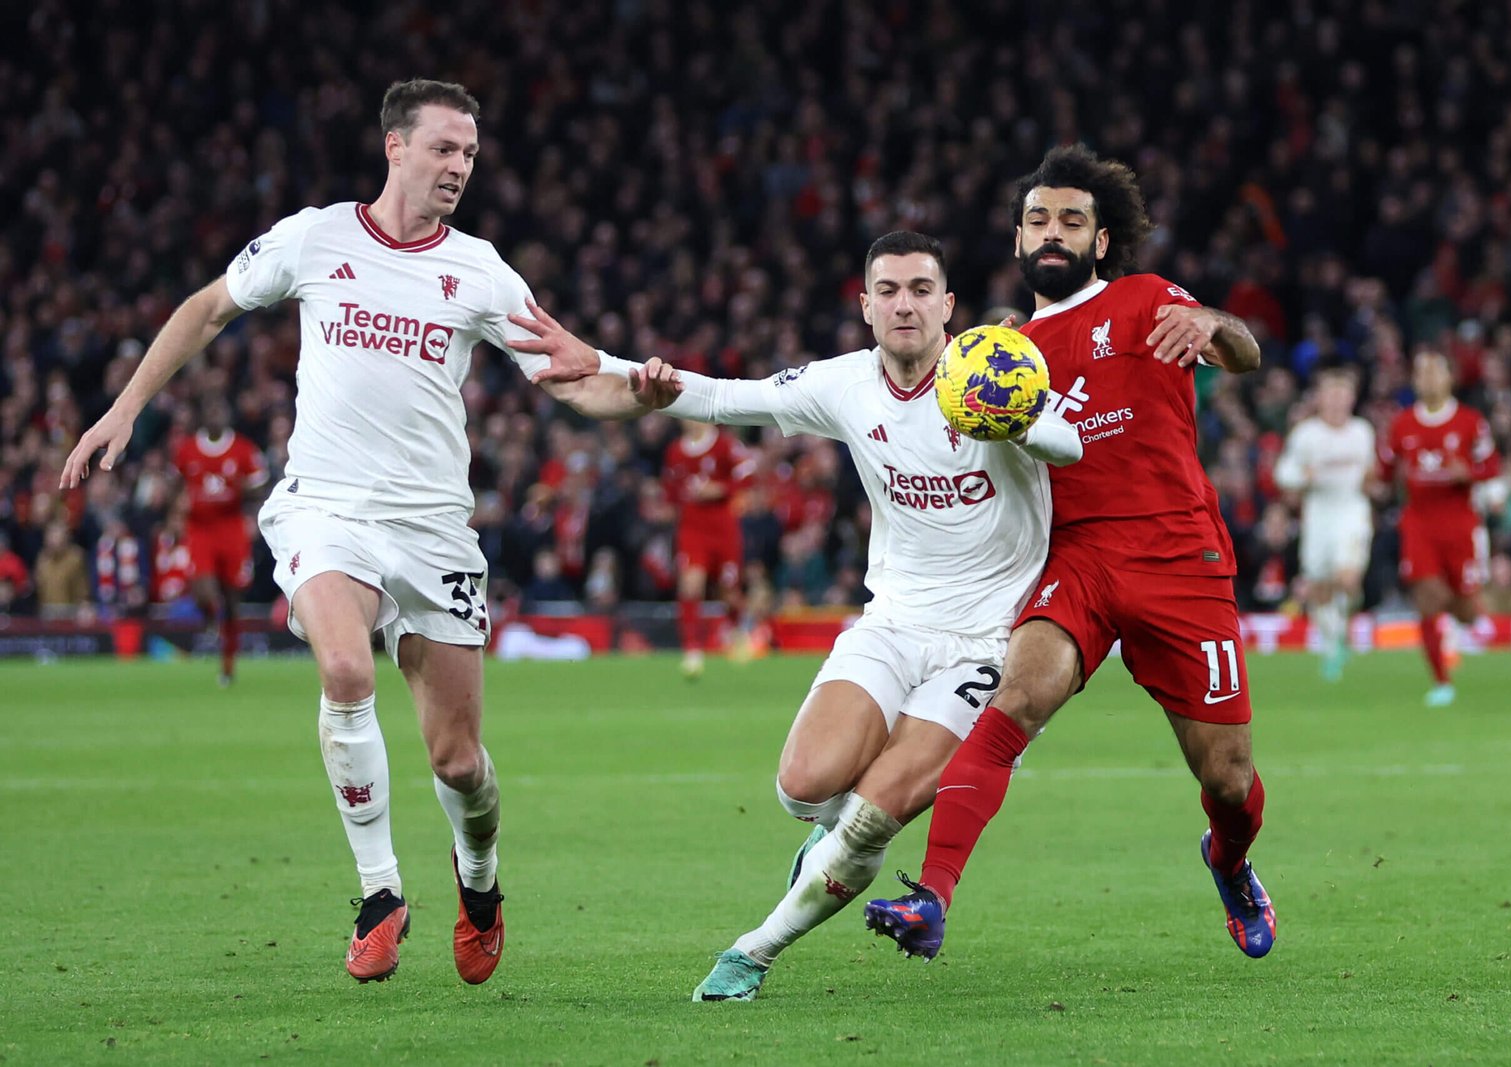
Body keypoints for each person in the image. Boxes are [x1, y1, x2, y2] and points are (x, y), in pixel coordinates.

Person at [60, 78, 651, 985]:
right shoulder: (316, 236)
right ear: (397, 148)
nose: (459, 167)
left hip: (435, 530)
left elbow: (570, 377)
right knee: (343, 667)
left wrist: (637, 384)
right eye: (445, 149)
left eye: (469, 154)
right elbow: (207, 306)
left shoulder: (482, 270)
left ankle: (480, 880)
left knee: (459, 765)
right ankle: (380, 893)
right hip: (327, 505)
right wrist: (125, 408)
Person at [507, 230, 1084, 1001]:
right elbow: (719, 394)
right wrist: (610, 366)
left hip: (985, 643)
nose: (904, 304)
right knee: (804, 787)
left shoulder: (990, 375)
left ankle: (754, 949)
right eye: (889, 290)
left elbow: (1068, 443)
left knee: (875, 814)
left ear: (949, 304)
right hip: (892, 623)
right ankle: (833, 839)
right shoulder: (844, 384)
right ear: (866, 306)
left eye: (920, 289)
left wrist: (1012, 418)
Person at [862, 144, 1276, 961]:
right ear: (1018, 241)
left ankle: (1229, 861)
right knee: (1012, 700)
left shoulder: (1146, 298)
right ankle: (930, 898)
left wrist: (1213, 322)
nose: (1054, 233)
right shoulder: (998, 355)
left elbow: (1246, 355)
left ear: (1101, 240)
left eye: (1072, 221)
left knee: (1227, 779)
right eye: (1039, 220)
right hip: (1076, 557)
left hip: (1177, 554)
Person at [1376, 349, 1499, 706]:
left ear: (1450, 378)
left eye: (1434, 371)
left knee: (1464, 606)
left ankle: (1462, 632)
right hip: (1419, 523)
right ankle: (1442, 681)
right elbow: (1385, 471)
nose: (1427, 378)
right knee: (1429, 598)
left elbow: (1491, 466)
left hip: (1460, 523)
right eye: (1421, 372)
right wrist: (1377, 483)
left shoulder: (1470, 422)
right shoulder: (1401, 425)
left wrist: (1470, 475)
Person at [1272, 366, 1376, 680]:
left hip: (1350, 511)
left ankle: (1342, 628)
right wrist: (1304, 476)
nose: (1336, 401)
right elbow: (1283, 474)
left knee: (1347, 579)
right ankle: (1333, 643)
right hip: (1318, 514)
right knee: (1319, 587)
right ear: (1319, 399)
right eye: (1330, 395)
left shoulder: (1362, 432)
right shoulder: (1307, 434)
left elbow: (1370, 473)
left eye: (1342, 395)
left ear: (1351, 399)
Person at [172, 397, 268, 684]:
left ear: (227, 415)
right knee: (204, 590)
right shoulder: (188, 449)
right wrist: (176, 515)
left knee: (231, 599)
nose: (215, 415)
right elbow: (178, 486)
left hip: (232, 527)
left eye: (220, 409)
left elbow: (260, 484)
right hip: (200, 528)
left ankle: (227, 666)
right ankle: (211, 621)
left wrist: (241, 490)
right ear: (203, 416)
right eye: (210, 409)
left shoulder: (242, 449)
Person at [660, 420, 754, 677]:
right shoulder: (675, 451)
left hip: (723, 529)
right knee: (691, 585)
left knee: (728, 592)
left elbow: (747, 473)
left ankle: (738, 631)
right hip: (692, 528)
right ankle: (692, 652)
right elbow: (670, 489)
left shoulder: (724, 444)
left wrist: (720, 489)